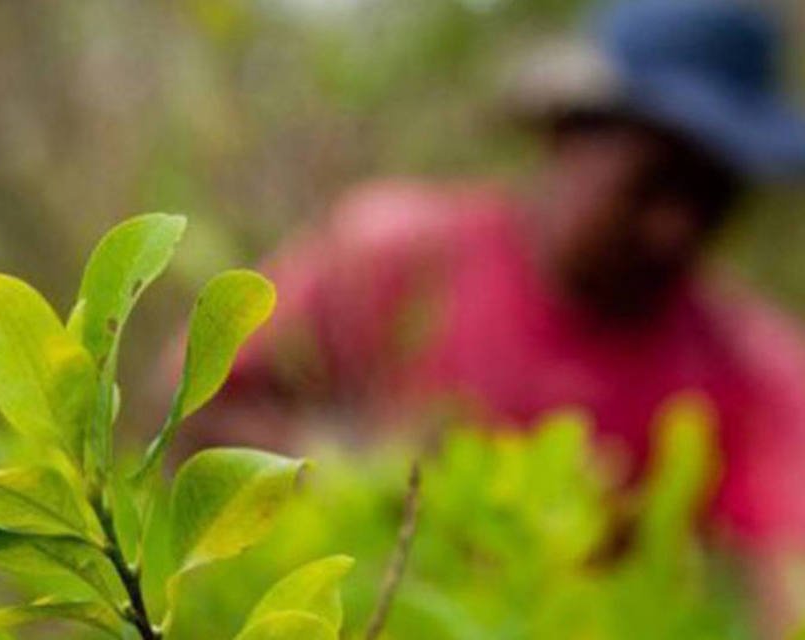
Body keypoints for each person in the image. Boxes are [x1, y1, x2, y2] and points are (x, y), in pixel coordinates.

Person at [168, 0, 805, 600]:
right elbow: (186, 405)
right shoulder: (393, 257)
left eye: (714, 197)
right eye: (652, 183)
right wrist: (366, 487)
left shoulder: (746, 366)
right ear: (570, 136)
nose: (677, 228)